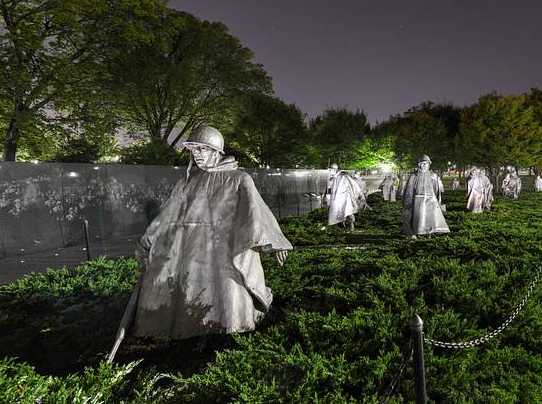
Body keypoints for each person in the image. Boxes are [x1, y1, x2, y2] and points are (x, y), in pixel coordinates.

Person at [108, 126, 291, 362]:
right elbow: (166, 218)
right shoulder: (187, 182)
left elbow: (255, 214)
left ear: (217, 151)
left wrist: (275, 242)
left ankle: (226, 346)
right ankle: (191, 346)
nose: (197, 154)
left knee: (227, 304)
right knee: (191, 305)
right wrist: (148, 242)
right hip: (191, 256)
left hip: (223, 256)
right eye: (194, 149)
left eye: (203, 148)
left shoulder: (238, 179)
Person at [402, 155, 450, 237]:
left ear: (429, 164)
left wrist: (438, 201)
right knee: (419, 218)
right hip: (418, 200)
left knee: (432, 218)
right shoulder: (414, 176)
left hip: (431, 199)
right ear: (419, 164)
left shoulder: (433, 175)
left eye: (426, 163)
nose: (424, 165)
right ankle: (417, 232)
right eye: (422, 163)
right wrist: (408, 202)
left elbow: (436, 190)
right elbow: (409, 190)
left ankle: (430, 232)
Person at [327, 165, 363, 230]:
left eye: (330, 170)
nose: (328, 172)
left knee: (348, 212)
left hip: (346, 198)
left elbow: (354, 185)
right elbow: (329, 188)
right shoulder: (333, 178)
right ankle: (340, 227)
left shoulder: (344, 176)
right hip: (337, 199)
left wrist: (360, 195)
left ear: (334, 170)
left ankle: (351, 227)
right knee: (337, 213)